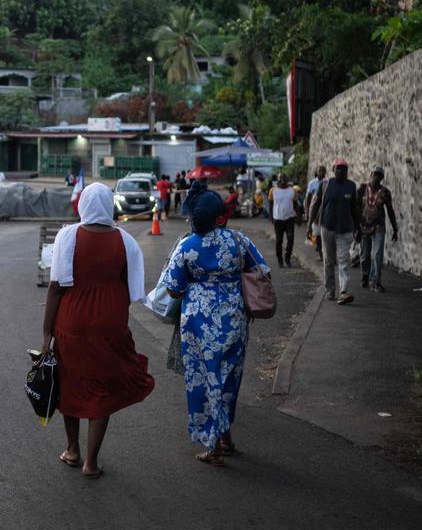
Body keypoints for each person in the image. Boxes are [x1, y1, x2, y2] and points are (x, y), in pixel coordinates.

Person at [42, 183, 154, 479]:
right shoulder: (126, 241)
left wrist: (46, 334)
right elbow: (131, 287)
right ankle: (91, 462)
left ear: (82, 205)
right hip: (110, 324)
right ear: (110, 205)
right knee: (101, 388)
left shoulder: (67, 236)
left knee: (71, 383)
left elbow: (56, 286)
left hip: (72, 323)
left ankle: (72, 450)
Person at [162, 181, 269, 466]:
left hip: (197, 323)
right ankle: (225, 437)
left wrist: (197, 286)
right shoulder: (238, 241)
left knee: (203, 380)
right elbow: (263, 271)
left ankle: (213, 446)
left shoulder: (187, 245)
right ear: (219, 215)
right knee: (227, 381)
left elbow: (172, 288)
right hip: (234, 320)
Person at [308, 158, 360, 305]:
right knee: (329, 261)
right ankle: (330, 290)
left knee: (343, 261)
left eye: (344, 169)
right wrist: (309, 225)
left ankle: (343, 292)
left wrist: (358, 227)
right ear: (333, 170)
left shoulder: (351, 186)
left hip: (345, 230)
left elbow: (354, 209)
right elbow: (316, 204)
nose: (342, 171)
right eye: (338, 169)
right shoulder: (325, 184)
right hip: (327, 228)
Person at [357, 166, 399, 292]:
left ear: (382, 178)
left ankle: (375, 281)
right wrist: (355, 227)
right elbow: (355, 207)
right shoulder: (362, 188)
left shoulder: (385, 192)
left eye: (379, 175)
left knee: (377, 255)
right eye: (375, 174)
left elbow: (390, 211)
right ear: (371, 174)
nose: (376, 177)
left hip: (378, 227)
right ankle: (365, 275)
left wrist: (395, 229)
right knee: (364, 256)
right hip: (363, 227)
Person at [269, 173, 297, 267]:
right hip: (278, 219)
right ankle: (280, 260)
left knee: (290, 240)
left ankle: (287, 258)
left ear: (288, 178)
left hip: (290, 218)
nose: (283, 179)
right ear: (278, 179)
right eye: (281, 177)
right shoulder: (273, 190)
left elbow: (296, 204)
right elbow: (270, 204)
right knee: (279, 241)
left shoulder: (292, 190)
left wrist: (299, 217)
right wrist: (271, 217)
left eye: (285, 177)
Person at [305, 165, 328, 253]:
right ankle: (317, 247)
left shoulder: (327, 182)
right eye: (319, 170)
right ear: (316, 172)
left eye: (323, 170)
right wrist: (307, 211)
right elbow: (308, 198)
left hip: (324, 210)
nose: (321, 172)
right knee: (315, 231)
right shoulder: (312, 183)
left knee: (322, 231)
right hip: (314, 209)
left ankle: (321, 248)